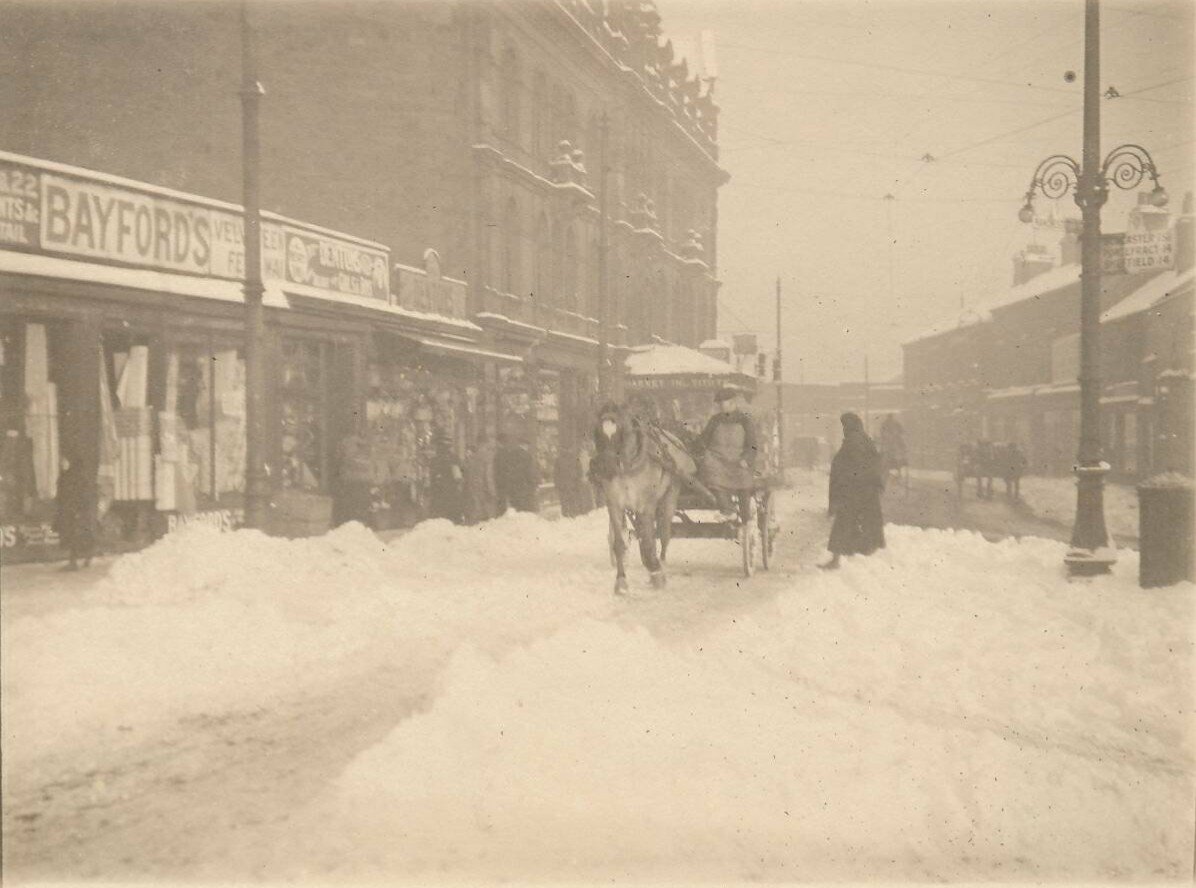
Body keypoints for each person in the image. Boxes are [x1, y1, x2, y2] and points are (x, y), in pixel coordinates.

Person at [821, 412, 886, 570]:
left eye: (845, 425)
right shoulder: (863, 438)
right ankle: (855, 559)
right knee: (864, 525)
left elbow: (855, 466)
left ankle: (838, 561)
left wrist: (845, 483)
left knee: (843, 525)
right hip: (864, 491)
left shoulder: (853, 440)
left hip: (855, 492)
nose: (843, 428)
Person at [697, 386, 759, 520]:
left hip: (738, 461)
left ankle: (745, 516)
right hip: (717, 460)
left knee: (743, 481)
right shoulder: (715, 420)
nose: (719, 406)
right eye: (718, 403)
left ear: (732, 402)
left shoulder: (745, 420)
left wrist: (746, 459)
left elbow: (752, 446)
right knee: (710, 475)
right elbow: (704, 440)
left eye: (722, 403)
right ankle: (727, 508)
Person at [54, 453, 98, 571]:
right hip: (74, 511)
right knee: (77, 535)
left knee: (73, 536)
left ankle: (73, 562)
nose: (62, 463)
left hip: (72, 511)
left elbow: (66, 495)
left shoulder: (71, 477)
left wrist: (78, 509)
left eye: (64, 460)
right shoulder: (75, 477)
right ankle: (85, 556)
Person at [333, 433, 373, 527]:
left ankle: (347, 523)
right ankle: (360, 523)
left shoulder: (346, 442)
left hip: (350, 478)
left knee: (349, 502)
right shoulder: (368, 445)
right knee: (360, 503)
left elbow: (340, 458)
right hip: (364, 479)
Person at [495, 432, 539, 513]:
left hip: (512, 487)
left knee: (515, 509)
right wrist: (534, 485)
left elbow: (507, 470)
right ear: (525, 445)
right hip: (524, 488)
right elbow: (529, 473)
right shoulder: (527, 456)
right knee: (525, 510)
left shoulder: (511, 454)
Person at [428, 430, 465, 523]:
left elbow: (431, 477)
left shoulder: (434, 460)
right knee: (452, 516)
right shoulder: (454, 458)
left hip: (438, 492)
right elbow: (458, 476)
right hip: (451, 491)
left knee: (439, 517)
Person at [464, 434, 498, 524]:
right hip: (484, 489)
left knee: (475, 512)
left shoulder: (472, 457)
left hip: (473, 488)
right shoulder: (487, 457)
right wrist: (492, 491)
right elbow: (488, 476)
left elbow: (468, 474)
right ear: (485, 443)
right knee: (487, 516)